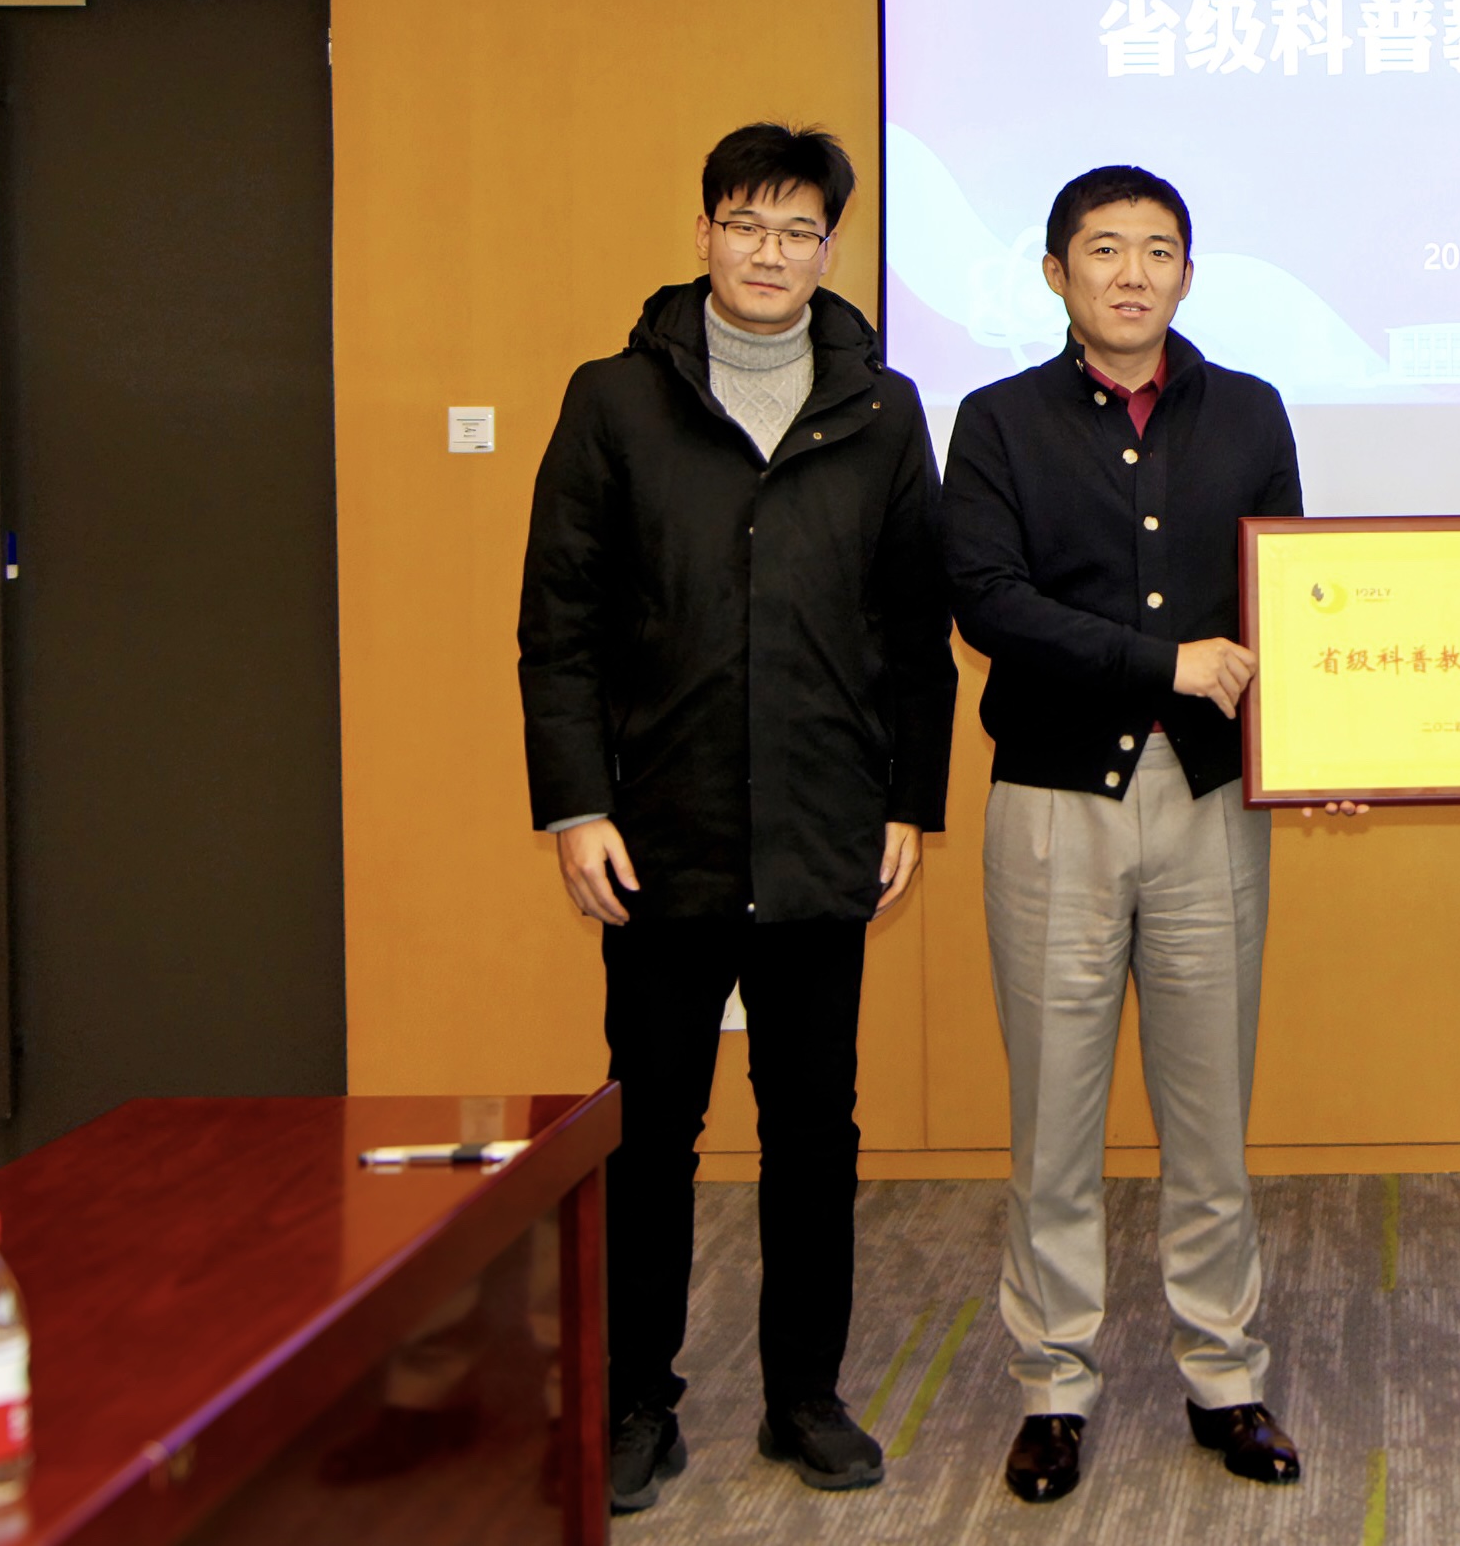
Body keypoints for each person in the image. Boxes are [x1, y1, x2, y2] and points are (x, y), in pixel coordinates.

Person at [518, 123, 957, 1514]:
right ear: (704, 231)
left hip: (827, 828)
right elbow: (558, 627)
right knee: (652, 1128)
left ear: (830, 249)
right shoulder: (615, 399)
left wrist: (910, 802)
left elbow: (916, 630)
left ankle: (803, 1396)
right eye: (746, 224)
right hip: (660, 827)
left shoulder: (882, 410)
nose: (771, 253)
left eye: (798, 231)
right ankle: (635, 1400)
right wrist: (575, 804)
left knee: (814, 1130)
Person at [942, 165, 1310, 1506]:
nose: (1133, 273)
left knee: (1209, 1113)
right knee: (1055, 1117)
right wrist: (1162, 663)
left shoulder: (1250, 411)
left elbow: (1292, 596)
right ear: (1056, 274)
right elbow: (987, 600)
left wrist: (1318, 740)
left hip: (1209, 799)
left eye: (1159, 250)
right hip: (1055, 800)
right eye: (1104, 250)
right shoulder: (997, 420)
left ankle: (1225, 1374)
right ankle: (1054, 1386)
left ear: (1188, 275)